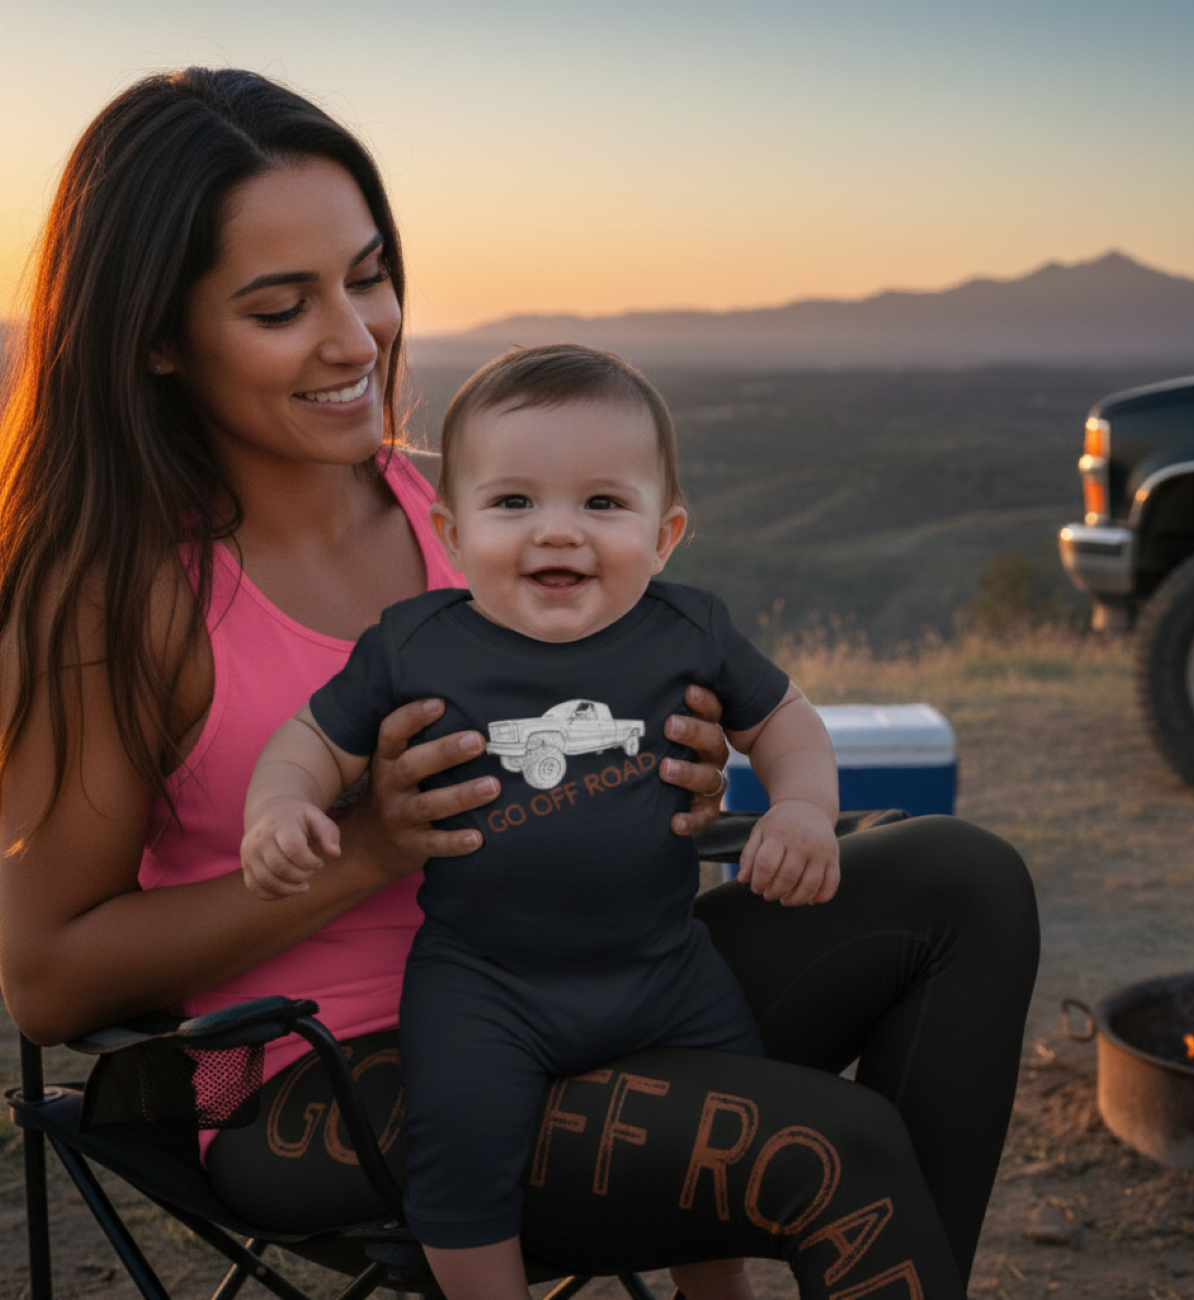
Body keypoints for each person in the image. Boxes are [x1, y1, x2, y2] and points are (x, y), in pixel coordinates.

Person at [0, 68, 1039, 1300]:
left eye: (369, 275)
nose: (356, 337)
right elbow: (46, 973)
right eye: (282, 306)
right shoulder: (124, 599)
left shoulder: (473, 514)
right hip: (325, 1081)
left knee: (963, 880)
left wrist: (677, 775)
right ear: (158, 336)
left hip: (600, 991)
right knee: (831, 1146)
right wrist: (371, 846)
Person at [241, 343, 843, 1298]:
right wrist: (280, 804)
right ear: (449, 527)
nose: (556, 532)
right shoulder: (415, 643)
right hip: (485, 985)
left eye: (603, 504)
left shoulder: (688, 629)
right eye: (513, 503)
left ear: (665, 533)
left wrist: (803, 806)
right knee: (463, 1152)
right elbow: (312, 739)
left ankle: (715, 1288)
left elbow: (787, 723)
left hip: (665, 972)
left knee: (723, 1145)